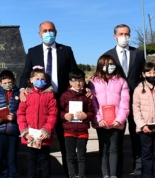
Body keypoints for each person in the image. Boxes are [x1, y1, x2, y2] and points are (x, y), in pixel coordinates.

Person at [19, 21, 78, 176]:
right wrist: (21, 90)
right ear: (39, 34)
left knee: (66, 143)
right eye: (44, 31)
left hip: (63, 101)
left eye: (50, 30)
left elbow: (74, 73)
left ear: (56, 32)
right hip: (41, 102)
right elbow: (26, 73)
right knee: (39, 147)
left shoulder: (66, 50)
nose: (48, 33)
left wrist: (84, 89)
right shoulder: (33, 52)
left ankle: (69, 174)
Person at [102, 24, 145, 178]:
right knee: (116, 140)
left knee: (137, 136)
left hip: (136, 101)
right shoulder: (108, 56)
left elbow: (143, 75)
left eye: (127, 34)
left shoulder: (138, 54)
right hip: (116, 104)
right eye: (121, 34)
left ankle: (139, 170)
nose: (124, 36)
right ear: (115, 36)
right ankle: (116, 172)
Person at [88, 55, 130, 178]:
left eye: (112, 64)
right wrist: (98, 119)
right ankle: (105, 174)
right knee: (104, 148)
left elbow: (125, 102)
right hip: (101, 122)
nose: (110, 66)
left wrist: (120, 119)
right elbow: (92, 102)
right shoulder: (93, 81)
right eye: (107, 64)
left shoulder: (121, 81)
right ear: (101, 65)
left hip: (116, 122)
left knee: (114, 149)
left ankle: (113, 175)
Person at [17, 66, 58, 178]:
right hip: (30, 136)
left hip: (43, 136)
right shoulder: (26, 95)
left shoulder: (50, 95)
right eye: (37, 78)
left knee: (44, 160)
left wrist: (47, 130)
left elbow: (53, 114)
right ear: (31, 80)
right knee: (31, 160)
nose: (40, 81)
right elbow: (20, 114)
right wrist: (24, 131)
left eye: (42, 79)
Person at [59, 69, 96, 178]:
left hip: (82, 131)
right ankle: (72, 175)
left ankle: (81, 175)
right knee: (70, 156)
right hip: (68, 131)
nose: (78, 83)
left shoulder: (87, 95)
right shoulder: (65, 95)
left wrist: (86, 116)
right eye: (74, 80)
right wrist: (64, 116)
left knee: (82, 156)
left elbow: (92, 112)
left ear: (84, 81)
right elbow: (59, 110)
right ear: (70, 82)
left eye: (80, 80)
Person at [0, 70, 21, 178]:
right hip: (0, 130)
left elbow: (22, 109)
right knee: (1, 156)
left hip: (13, 130)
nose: (7, 84)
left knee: (12, 157)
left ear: (14, 81)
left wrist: (15, 116)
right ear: (0, 83)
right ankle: (2, 175)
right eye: (4, 82)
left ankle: (13, 175)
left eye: (9, 82)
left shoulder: (19, 94)